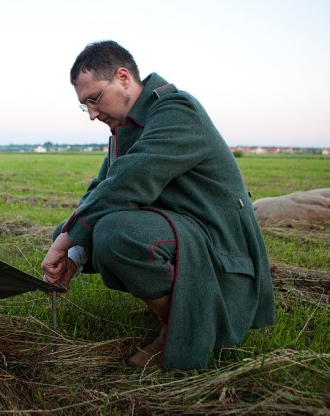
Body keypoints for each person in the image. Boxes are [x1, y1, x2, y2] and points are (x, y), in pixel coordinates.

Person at [41, 40, 275, 370]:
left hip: (219, 244)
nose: (92, 114)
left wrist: (67, 242)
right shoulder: (127, 127)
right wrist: (71, 250)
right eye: (85, 106)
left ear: (123, 77)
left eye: (94, 100)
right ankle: (169, 304)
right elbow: (102, 190)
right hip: (184, 231)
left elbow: (129, 183)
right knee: (72, 231)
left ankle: (184, 330)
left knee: (114, 233)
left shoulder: (175, 110)